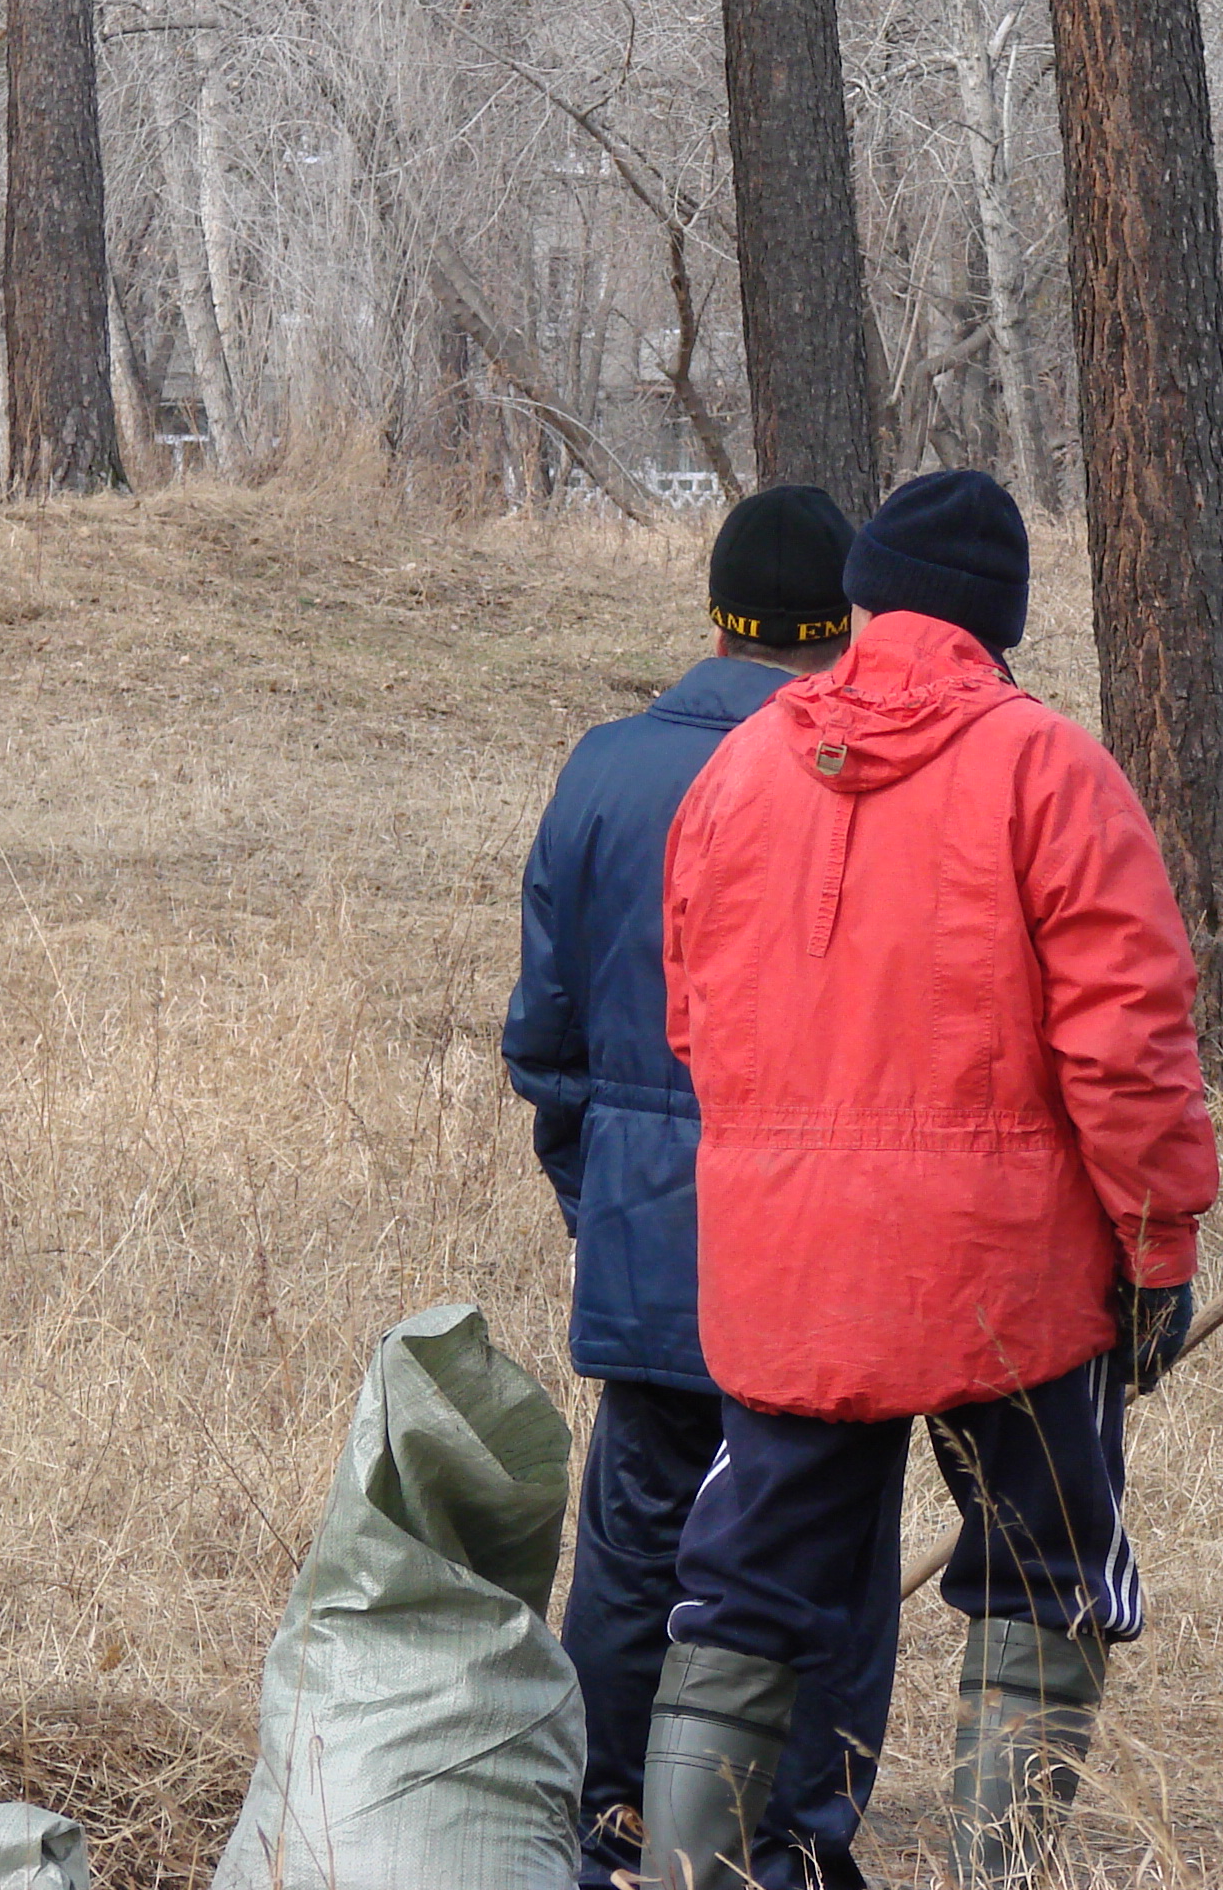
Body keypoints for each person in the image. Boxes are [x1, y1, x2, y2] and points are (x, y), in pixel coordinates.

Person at [641, 470, 1221, 1890]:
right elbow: (1129, 1043)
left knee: (741, 1592)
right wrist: (1158, 1248)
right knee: (1041, 1580)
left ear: (863, 601)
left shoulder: (736, 771)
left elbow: (690, 1015)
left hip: (789, 1271)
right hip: (1008, 1279)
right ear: (1001, 621)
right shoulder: (1050, 769)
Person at [502, 485, 899, 1890]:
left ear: (713, 604)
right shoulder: (850, 772)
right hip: (809, 1245)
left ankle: (605, 1817)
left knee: (637, 1536)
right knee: (820, 1542)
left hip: (643, 1227)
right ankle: (780, 1840)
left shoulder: (604, 768)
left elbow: (544, 1039)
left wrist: (600, 1193)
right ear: (839, 622)